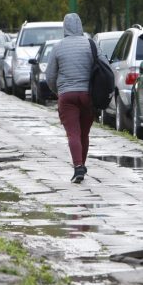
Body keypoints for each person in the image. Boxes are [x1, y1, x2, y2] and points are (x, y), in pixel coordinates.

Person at [46, 13, 109, 183]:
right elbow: (105, 66)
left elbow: (50, 75)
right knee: (84, 133)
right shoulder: (91, 45)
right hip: (88, 95)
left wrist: (58, 91)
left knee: (73, 133)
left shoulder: (58, 47)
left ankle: (78, 166)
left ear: (64, 27)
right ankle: (82, 165)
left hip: (67, 96)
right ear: (81, 26)